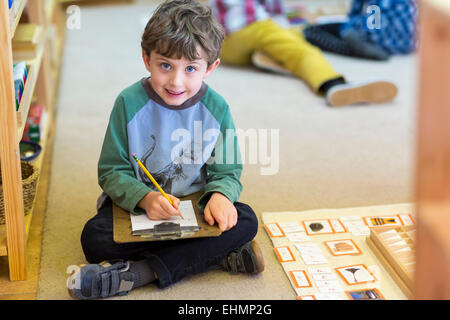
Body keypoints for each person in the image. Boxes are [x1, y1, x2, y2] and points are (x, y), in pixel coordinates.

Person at [66, 0, 264, 300]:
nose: (176, 81)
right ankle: (213, 256)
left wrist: (221, 196)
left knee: (246, 220)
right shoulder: (128, 103)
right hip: (141, 211)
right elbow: (111, 171)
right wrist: (145, 198)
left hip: (197, 211)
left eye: (191, 69)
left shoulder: (217, 108)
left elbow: (227, 170)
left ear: (211, 68)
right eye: (165, 65)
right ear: (146, 59)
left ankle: (137, 274)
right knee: (94, 238)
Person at [209, 0, 398, 107]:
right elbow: (273, 14)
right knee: (302, 51)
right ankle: (332, 84)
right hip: (250, 28)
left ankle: (266, 57)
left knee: (291, 37)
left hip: (225, 45)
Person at [303, 0, 418, 60]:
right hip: (408, 44)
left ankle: (362, 51)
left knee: (311, 32)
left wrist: (350, 28)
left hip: (379, 41)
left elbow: (372, 22)